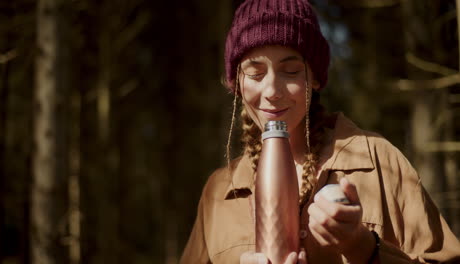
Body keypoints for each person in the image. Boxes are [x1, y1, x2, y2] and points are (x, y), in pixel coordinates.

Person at [180, 0, 460, 263]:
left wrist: (364, 248)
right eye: (255, 73)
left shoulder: (379, 162)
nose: (272, 92)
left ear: (313, 77)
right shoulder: (218, 192)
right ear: (237, 83)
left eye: (290, 71)